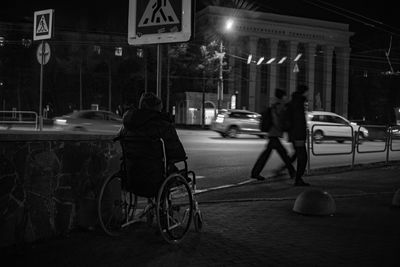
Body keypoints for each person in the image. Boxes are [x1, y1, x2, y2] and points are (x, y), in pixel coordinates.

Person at [119, 92, 187, 196]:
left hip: (131, 177)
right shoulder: (163, 126)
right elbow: (178, 153)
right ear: (157, 108)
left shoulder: (127, 126)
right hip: (154, 179)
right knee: (175, 171)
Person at [251, 88, 296, 181]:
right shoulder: (280, 106)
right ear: (283, 96)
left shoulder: (276, 105)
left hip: (273, 134)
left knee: (270, 154)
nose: (286, 97)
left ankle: (255, 173)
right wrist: (282, 128)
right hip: (274, 134)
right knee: (283, 155)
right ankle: (292, 172)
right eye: (285, 96)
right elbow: (277, 120)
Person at [286, 85, 310, 186]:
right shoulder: (298, 103)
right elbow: (299, 121)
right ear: (304, 92)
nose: (308, 94)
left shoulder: (294, 102)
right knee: (303, 157)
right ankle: (298, 179)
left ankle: (288, 169)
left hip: (294, 134)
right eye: (307, 92)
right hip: (298, 135)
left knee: (297, 155)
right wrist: (301, 136)